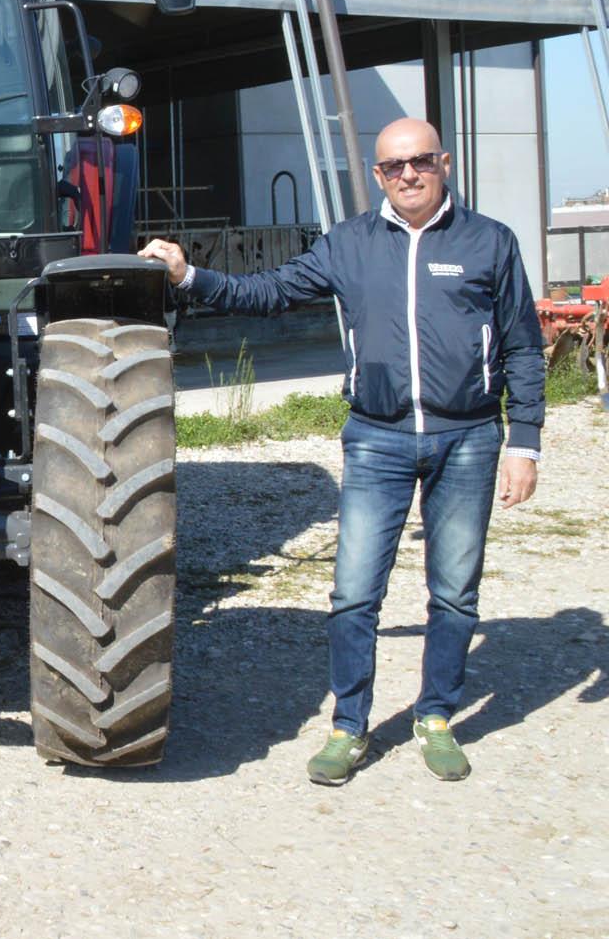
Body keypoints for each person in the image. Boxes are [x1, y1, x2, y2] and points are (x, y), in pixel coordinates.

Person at [139, 118, 544, 785]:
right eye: (392, 166)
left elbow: (524, 347)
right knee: (355, 593)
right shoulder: (349, 244)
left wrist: (524, 442)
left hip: (468, 438)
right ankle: (349, 727)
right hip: (378, 438)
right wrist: (189, 278)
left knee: (454, 592)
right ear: (378, 174)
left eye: (419, 161)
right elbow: (265, 293)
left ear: (444, 162)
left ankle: (436, 716)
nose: (407, 175)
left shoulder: (489, 243)